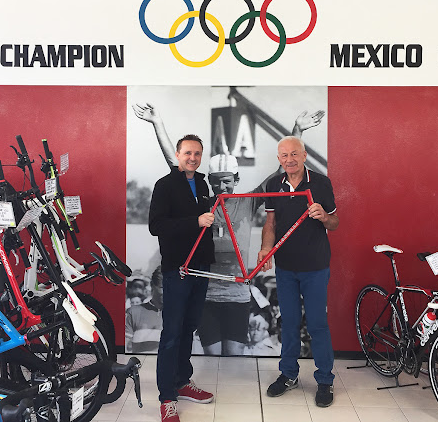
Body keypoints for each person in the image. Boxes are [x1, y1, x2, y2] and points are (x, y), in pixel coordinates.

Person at [133, 103, 325, 356]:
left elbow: (280, 174)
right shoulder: (202, 200)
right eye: (215, 182)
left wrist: (298, 129)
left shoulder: (247, 201)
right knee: (213, 357)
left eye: (226, 181)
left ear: (236, 180)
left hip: (238, 296)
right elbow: (176, 166)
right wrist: (158, 123)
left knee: (234, 357)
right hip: (207, 295)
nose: (221, 187)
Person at [257, 136, 339, 407]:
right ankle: (289, 375)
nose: (289, 159)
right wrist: (265, 249)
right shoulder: (273, 185)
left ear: (304, 156)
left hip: (315, 267)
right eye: (284, 155)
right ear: (279, 159)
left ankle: (325, 380)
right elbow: (270, 223)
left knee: (317, 324)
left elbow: (335, 222)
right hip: (285, 267)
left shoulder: (321, 183)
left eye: (294, 154)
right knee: (289, 323)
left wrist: (324, 216)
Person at [148, 134, 216, 422]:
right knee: (172, 332)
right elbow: (156, 226)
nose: (193, 158)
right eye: (188, 153)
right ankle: (167, 397)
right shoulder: (164, 185)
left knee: (189, 327)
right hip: (177, 269)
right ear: (177, 155)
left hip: (201, 268)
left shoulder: (202, 184)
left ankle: (182, 381)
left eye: (197, 153)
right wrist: (196, 221)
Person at [125, 267, 163, 353]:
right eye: (162, 287)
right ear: (152, 285)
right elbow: (126, 349)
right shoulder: (133, 312)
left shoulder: (179, 315)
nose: (168, 292)